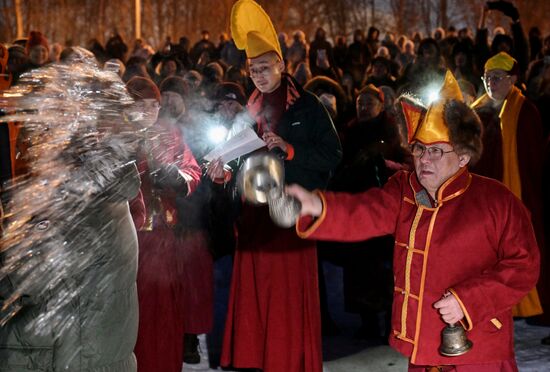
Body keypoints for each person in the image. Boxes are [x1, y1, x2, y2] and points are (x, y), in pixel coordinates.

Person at [288, 70, 540, 371]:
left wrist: (468, 300)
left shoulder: (497, 200)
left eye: (435, 151)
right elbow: (364, 212)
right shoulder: (404, 189)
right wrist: (317, 204)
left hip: (480, 351)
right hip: (421, 349)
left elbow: (524, 267)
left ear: (463, 157)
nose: (424, 160)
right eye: (419, 149)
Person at [207, 1, 342, 371]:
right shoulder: (251, 108)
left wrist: (292, 150)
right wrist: (225, 173)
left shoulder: (308, 106)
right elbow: (240, 157)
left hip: (291, 217)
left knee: (285, 299)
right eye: (253, 69)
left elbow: (332, 156)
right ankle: (256, 362)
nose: (259, 75)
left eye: (265, 67)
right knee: (255, 301)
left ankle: (289, 361)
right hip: (253, 218)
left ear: (282, 65)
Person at [127, 76, 202, 372]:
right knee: (136, 312)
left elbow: (193, 172)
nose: (148, 112)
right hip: (129, 238)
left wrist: (176, 178)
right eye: (141, 105)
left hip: (163, 236)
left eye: (153, 106)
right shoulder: (119, 136)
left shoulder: (170, 135)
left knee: (165, 311)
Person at [471, 52, 546, 322]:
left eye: (497, 78)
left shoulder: (525, 111)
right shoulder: (477, 111)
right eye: (487, 77)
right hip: (485, 199)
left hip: (519, 195)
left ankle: (532, 305)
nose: (491, 83)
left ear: (513, 79)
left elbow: (532, 160)